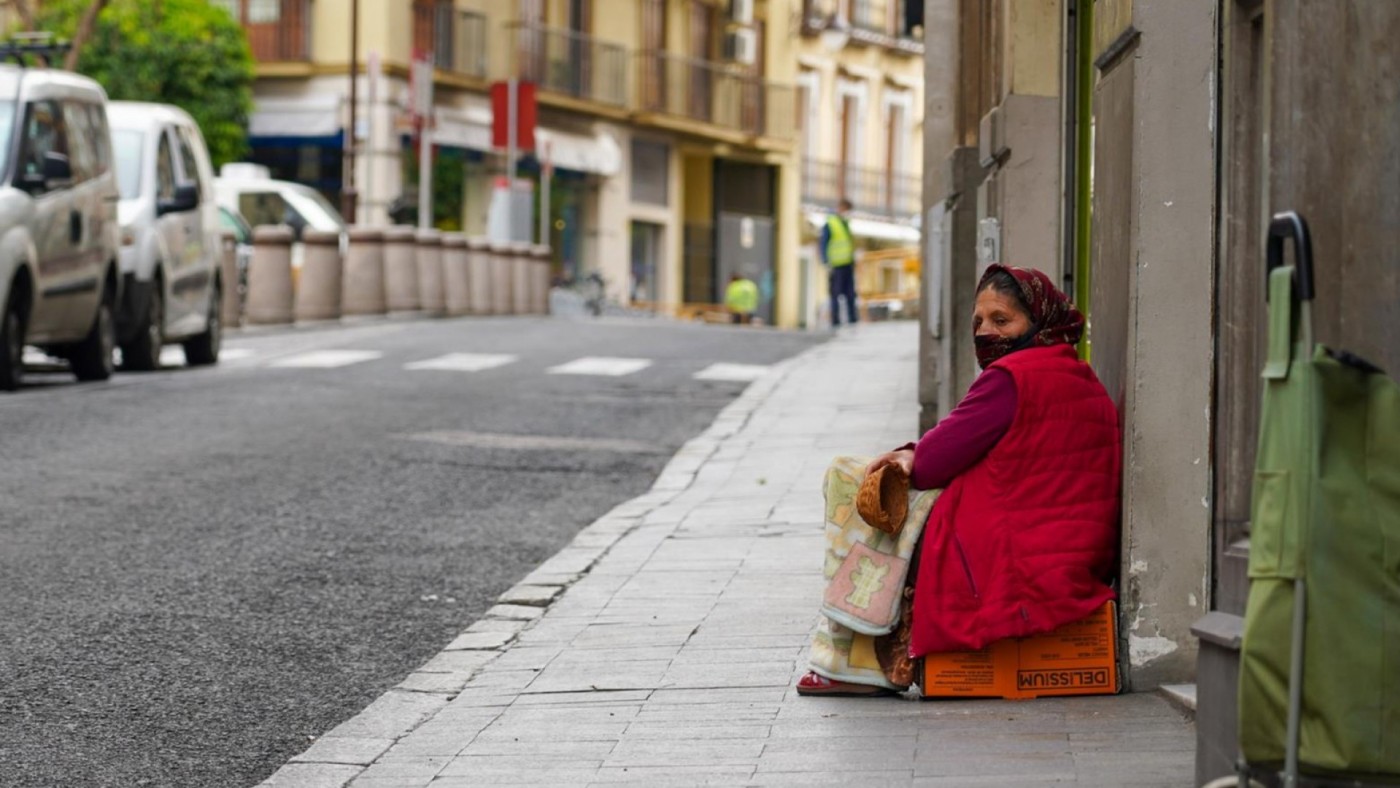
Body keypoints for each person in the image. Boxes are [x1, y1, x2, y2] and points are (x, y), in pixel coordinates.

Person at [797, 264, 1122, 695]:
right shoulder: (1081, 378)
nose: (986, 332)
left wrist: (908, 456)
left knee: (852, 477)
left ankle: (855, 665)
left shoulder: (1011, 378)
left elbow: (933, 463)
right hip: (1073, 563)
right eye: (979, 321)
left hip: (1012, 564)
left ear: (1038, 320)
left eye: (1001, 320)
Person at [819, 198, 858, 327]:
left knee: (850, 293)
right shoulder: (831, 223)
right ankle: (835, 321)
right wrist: (825, 260)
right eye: (846, 210)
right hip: (836, 265)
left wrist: (853, 260)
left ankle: (853, 319)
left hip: (847, 263)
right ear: (841, 207)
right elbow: (823, 243)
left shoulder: (845, 223)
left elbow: (848, 244)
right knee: (835, 293)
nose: (847, 213)